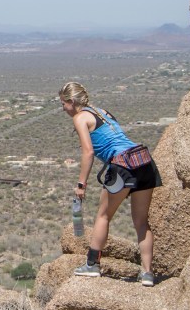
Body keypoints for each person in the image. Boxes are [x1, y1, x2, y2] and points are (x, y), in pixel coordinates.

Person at [58, 82, 162, 286]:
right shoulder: (101, 111)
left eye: (63, 104)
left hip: (122, 164)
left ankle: (92, 265)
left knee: (104, 216)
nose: (63, 108)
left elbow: (87, 152)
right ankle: (148, 273)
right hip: (144, 160)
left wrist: (81, 184)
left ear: (71, 101)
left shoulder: (80, 118)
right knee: (141, 222)